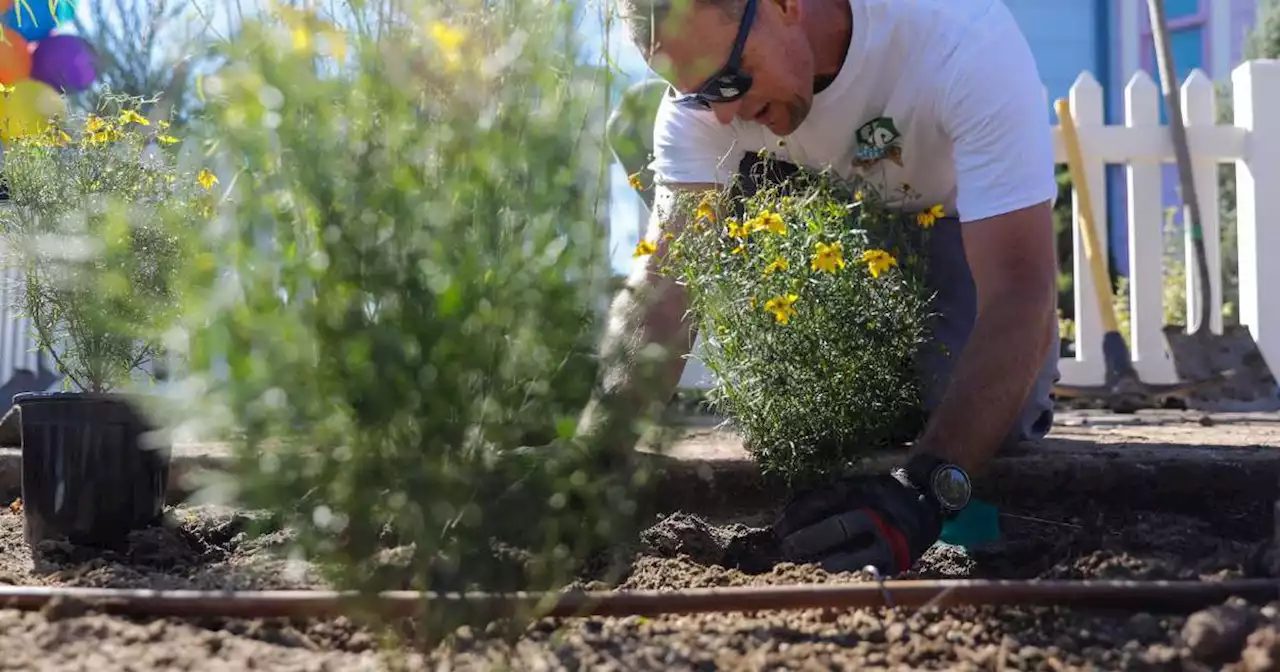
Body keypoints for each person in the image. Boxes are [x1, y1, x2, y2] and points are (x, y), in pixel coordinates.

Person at [573, 0, 1062, 576]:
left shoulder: (963, 42)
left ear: (786, 7)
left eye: (730, 79)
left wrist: (927, 488)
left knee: (1001, 412)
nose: (723, 113)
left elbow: (1020, 292)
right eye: (701, 93)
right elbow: (665, 282)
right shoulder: (705, 108)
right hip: (810, 220)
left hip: (942, 222)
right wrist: (590, 458)